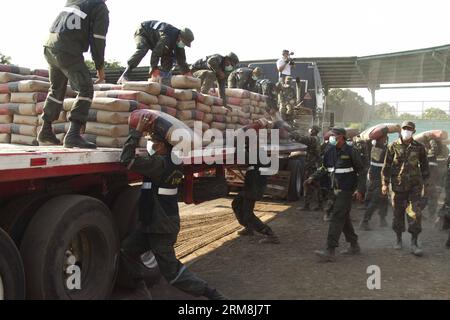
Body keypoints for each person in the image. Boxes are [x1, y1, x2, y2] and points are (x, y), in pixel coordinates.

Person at [120, 114, 226, 300]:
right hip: (152, 222)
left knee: (172, 273)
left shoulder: (159, 164)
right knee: (127, 251)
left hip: (160, 226)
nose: (150, 144)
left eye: (152, 141)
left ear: (161, 146)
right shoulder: (173, 161)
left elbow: (126, 159)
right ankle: (140, 286)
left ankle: (214, 296)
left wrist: (136, 133)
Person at [38, 0, 109, 149]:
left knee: (56, 89)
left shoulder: (74, 2)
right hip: (68, 50)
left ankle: (45, 130)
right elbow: (98, 40)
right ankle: (73, 135)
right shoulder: (99, 7)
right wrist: (100, 67)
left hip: (50, 47)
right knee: (86, 89)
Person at [307, 128, 365, 263]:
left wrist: (360, 190)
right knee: (343, 218)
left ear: (342, 137)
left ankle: (330, 250)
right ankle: (354, 245)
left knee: (337, 216)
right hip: (334, 190)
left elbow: (361, 171)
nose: (331, 137)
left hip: (346, 190)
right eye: (331, 135)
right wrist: (312, 177)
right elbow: (324, 168)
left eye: (334, 135)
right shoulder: (329, 151)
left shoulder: (351, 151)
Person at [382, 121, 429, 257]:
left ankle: (414, 243)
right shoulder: (393, 146)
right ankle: (398, 239)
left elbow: (425, 167)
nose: (406, 131)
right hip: (397, 186)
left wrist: (426, 185)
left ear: (414, 131)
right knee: (398, 214)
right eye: (404, 129)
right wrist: (384, 184)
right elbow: (386, 167)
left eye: (409, 129)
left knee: (414, 213)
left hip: (414, 186)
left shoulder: (419, 147)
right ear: (401, 130)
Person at [117, 21, 194, 83]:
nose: (183, 45)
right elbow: (156, 53)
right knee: (143, 49)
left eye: (185, 44)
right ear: (180, 37)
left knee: (168, 56)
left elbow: (182, 61)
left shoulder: (179, 44)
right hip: (143, 32)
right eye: (183, 42)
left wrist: (188, 74)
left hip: (155, 40)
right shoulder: (167, 37)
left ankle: (164, 79)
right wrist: (154, 69)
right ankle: (125, 74)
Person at [360, 136, 389, 230]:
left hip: (379, 178)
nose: (386, 139)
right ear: (380, 139)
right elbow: (378, 162)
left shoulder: (379, 148)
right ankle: (365, 221)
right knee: (375, 200)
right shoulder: (377, 148)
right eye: (384, 138)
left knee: (384, 200)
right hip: (378, 179)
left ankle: (382, 219)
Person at [292, 125, 322, 211]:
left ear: (313, 130)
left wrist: (294, 134)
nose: (309, 130)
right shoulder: (317, 139)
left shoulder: (313, 139)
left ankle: (307, 205)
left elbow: (303, 139)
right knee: (315, 185)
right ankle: (319, 205)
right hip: (314, 165)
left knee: (308, 184)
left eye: (310, 129)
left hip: (311, 166)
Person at [421, 138, 449, 220]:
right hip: (429, 179)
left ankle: (430, 215)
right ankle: (418, 213)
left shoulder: (442, 151)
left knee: (432, 198)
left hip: (435, 179)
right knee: (427, 197)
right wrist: (432, 140)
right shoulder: (428, 153)